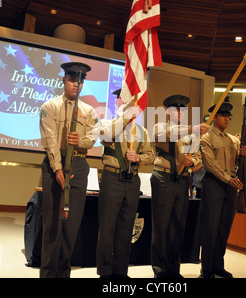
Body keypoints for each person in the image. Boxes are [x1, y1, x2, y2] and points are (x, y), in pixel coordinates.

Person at [39, 62, 98, 278]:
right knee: (53, 223)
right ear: (63, 80)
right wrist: (57, 169)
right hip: (55, 164)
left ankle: (64, 272)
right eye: (72, 80)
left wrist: (80, 140)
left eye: (80, 81)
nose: (76, 85)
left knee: (71, 223)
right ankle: (48, 273)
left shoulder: (89, 111)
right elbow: (50, 140)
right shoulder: (50, 106)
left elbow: (92, 138)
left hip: (79, 165)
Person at [95, 90, 154, 278]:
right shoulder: (108, 124)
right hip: (112, 180)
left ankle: (121, 272)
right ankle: (105, 272)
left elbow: (151, 155)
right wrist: (125, 118)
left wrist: (138, 157)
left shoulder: (142, 132)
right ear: (118, 103)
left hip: (132, 180)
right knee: (107, 228)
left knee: (126, 228)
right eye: (124, 101)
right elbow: (105, 136)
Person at [151, 94, 209, 278]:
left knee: (177, 225)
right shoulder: (160, 126)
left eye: (183, 109)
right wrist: (194, 129)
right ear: (167, 112)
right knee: (161, 225)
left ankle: (173, 269)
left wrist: (191, 162)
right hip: (164, 178)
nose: (180, 112)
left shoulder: (190, 134)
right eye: (176, 109)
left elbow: (198, 155)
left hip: (183, 180)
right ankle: (160, 270)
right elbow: (165, 135)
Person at [199, 102, 246, 278]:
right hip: (214, 184)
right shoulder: (206, 138)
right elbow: (210, 164)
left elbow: (237, 163)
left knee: (223, 228)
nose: (227, 118)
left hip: (230, 186)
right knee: (210, 228)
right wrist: (229, 179)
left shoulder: (232, 140)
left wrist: (244, 154)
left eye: (228, 116)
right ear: (214, 118)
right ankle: (206, 269)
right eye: (223, 116)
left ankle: (218, 265)